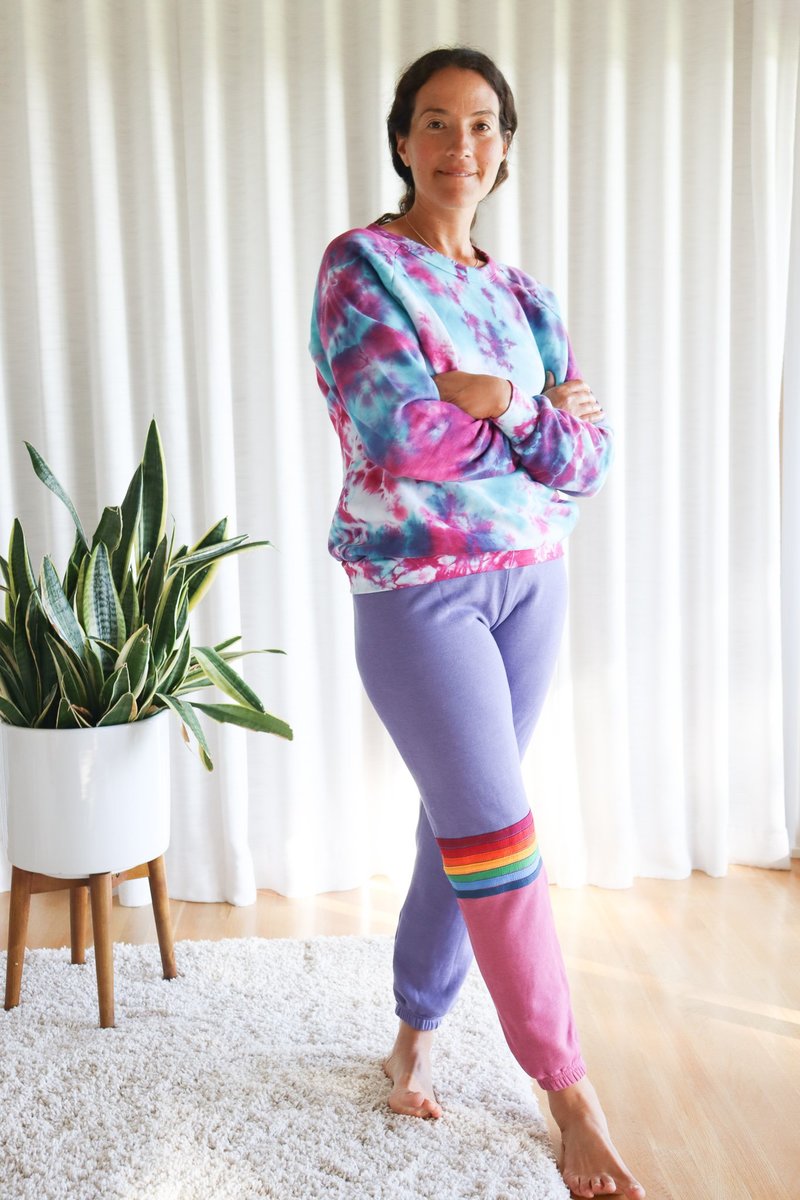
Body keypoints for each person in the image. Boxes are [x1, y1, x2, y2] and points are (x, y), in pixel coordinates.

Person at [309, 46, 645, 1200]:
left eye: (483, 124)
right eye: (437, 122)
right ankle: (569, 1093)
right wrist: (529, 419)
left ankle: (413, 1027)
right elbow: (399, 436)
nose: (461, 145)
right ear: (402, 140)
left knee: (454, 826)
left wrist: (497, 397)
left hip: (533, 579)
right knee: (497, 834)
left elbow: (587, 459)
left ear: (504, 147)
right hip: (418, 590)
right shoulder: (363, 269)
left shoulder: (523, 298)